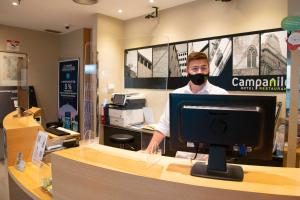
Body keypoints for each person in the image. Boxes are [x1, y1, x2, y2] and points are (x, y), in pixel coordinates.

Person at [145, 52, 228, 153]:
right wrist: (149, 150)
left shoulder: (221, 94)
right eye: (195, 68)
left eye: (204, 68)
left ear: (209, 69)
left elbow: (227, 129)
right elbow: (164, 124)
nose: (200, 72)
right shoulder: (176, 95)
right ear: (187, 70)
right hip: (183, 153)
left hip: (211, 155)